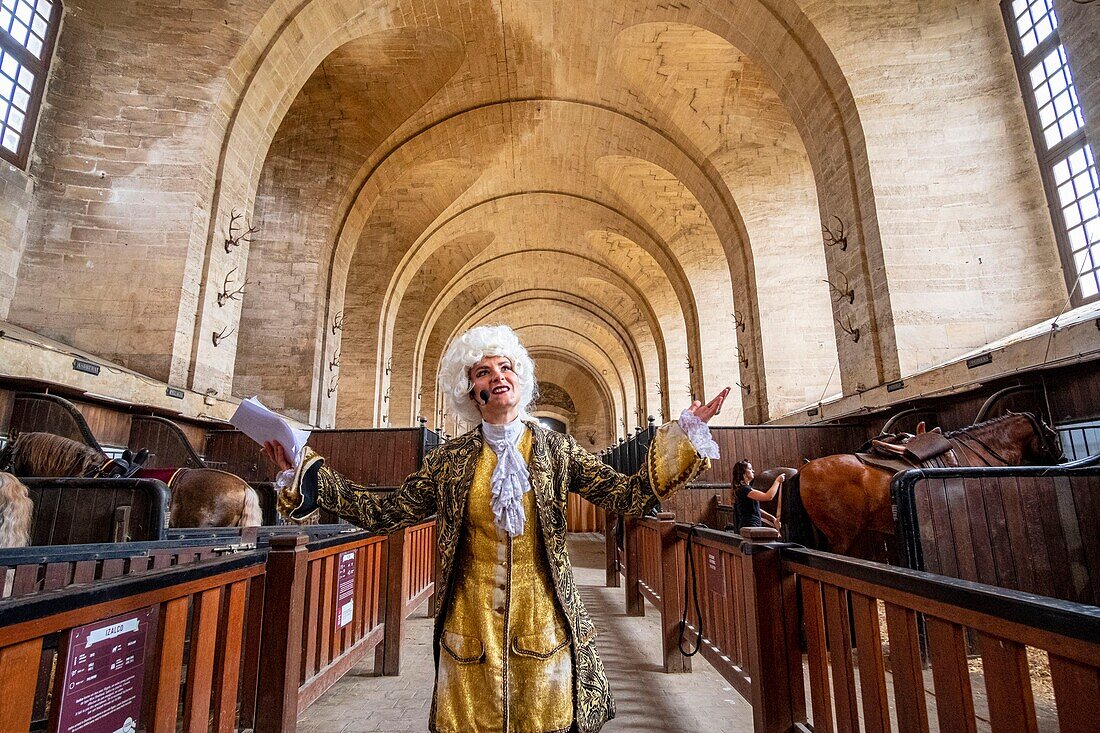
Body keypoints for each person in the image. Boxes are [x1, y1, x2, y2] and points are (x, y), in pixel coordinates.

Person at [263, 324, 728, 733]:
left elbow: (626, 494)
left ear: (519, 378)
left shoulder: (556, 450)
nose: (496, 376)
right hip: (470, 629)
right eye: (483, 372)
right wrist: (303, 474)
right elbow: (386, 510)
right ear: (470, 391)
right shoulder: (449, 461)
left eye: (505, 367)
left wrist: (684, 436)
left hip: (543, 624)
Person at [730, 460, 783, 533]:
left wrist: (772, 518)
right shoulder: (744, 489)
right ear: (744, 473)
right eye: (750, 469)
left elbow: (756, 509)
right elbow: (768, 496)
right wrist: (777, 481)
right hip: (751, 526)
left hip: (752, 526)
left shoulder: (744, 489)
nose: (753, 471)